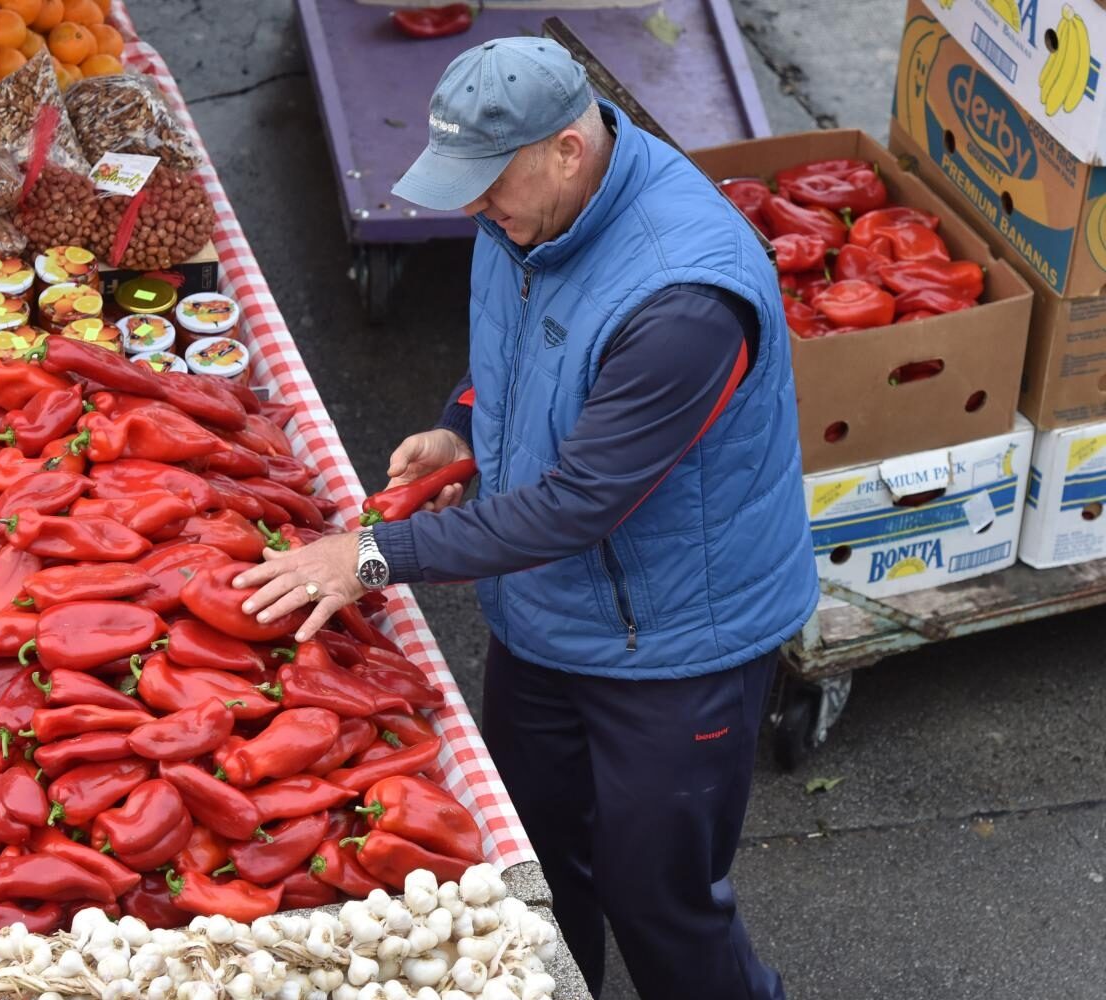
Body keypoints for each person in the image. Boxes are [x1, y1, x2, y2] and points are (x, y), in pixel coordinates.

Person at [235, 37, 818, 1000]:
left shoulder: (684, 300)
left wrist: (372, 556)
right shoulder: (527, 214)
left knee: (661, 900)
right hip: (548, 615)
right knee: (536, 874)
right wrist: (461, 428)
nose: (472, 208)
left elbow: (579, 504)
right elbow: (520, 352)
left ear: (567, 150)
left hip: (675, 644)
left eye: (486, 183)